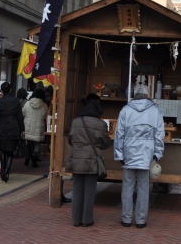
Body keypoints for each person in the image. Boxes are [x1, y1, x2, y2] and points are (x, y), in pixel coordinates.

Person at [114, 92, 165, 228]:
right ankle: (141, 220)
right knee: (143, 188)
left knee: (127, 187)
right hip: (146, 155)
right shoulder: (155, 110)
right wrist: (157, 154)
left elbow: (119, 133)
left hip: (128, 153)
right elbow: (160, 135)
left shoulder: (125, 109)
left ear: (134, 96)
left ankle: (126, 219)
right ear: (147, 96)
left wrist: (119, 154)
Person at [66, 93, 111, 227]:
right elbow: (105, 144)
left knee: (77, 190)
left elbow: (70, 140)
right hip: (92, 160)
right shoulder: (101, 124)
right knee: (90, 192)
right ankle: (87, 220)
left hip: (77, 159)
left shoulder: (75, 122)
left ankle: (76, 220)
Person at [0, 81, 25, 182]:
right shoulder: (16, 101)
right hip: (13, 127)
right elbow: (20, 117)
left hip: (1, 127)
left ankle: (3, 172)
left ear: (1, 91)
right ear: (10, 90)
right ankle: (6, 171)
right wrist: (22, 129)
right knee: (10, 151)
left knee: (2, 151)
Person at [22, 88, 48, 168]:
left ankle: (27, 157)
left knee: (29, 143)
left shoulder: (27, 103)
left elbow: (23, 113)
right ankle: (34, 161)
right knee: (37, 144)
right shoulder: (44, 105)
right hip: (38, 127)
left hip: (28, 126)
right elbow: (45, 116)